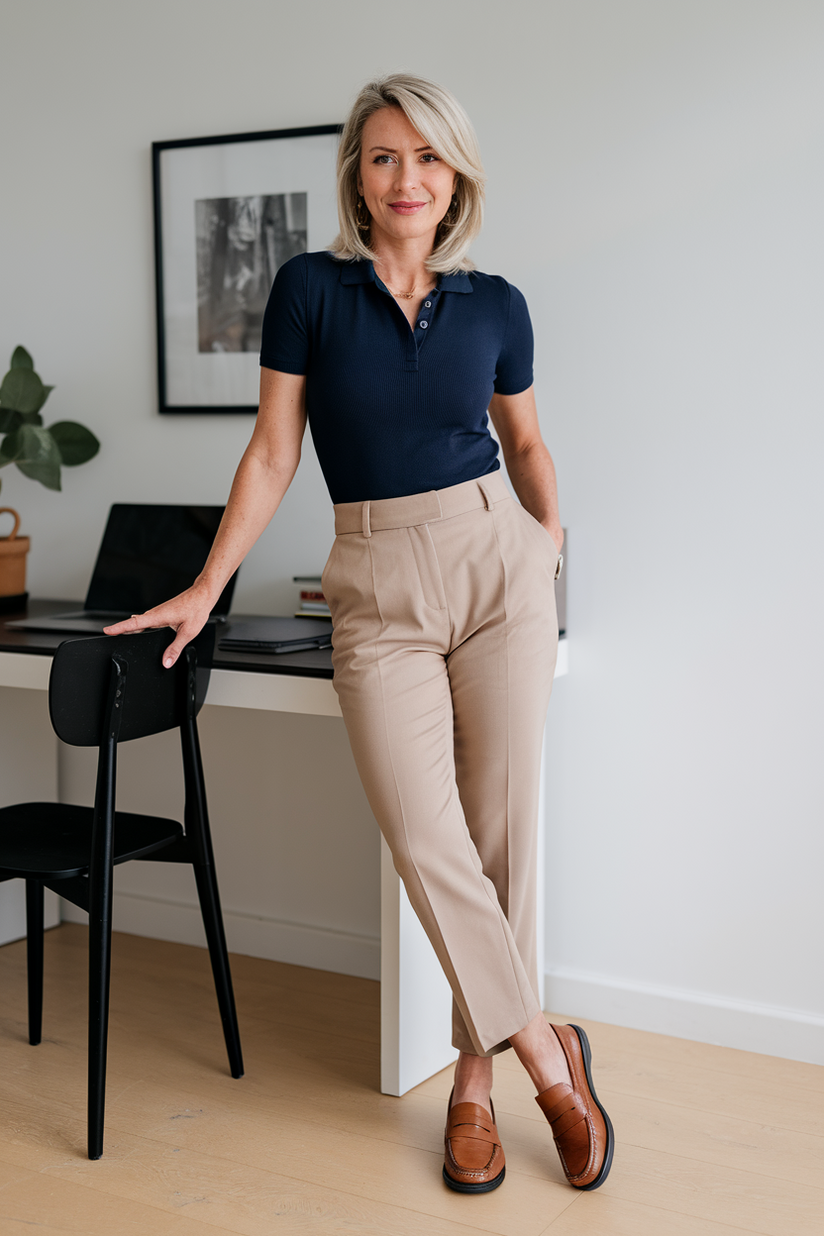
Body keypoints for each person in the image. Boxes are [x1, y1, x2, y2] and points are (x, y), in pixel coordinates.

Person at [107, 73, 614, 1195]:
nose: (406, 179)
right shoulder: (307, 289)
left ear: (455, 176)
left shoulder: (495, 303)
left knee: (500, 835)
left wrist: (547, 543)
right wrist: (204, 585)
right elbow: (274, 454)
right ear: (356, 173)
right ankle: (546, 1049)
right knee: (424, 834)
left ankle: (473, 1085)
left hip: (495, 564)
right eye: (384, 157)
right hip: (373, 573)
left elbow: (524, 444)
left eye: (427, 158)